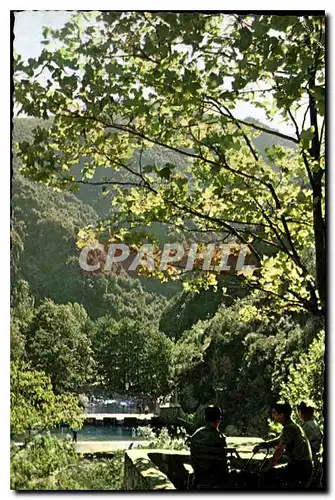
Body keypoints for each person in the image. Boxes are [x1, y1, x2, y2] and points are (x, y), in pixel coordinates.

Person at [253, 402, 313, 489]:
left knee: (268, 474)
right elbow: (278, 441)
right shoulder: (290, 426)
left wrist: (270, 465)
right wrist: (262, 445)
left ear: (281, 415)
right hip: (302, 465)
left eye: (274, 413)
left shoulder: (290, 428)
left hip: (301, 467)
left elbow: (280, 450)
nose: (273, 416)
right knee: (271, 471)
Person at [189, 405, 228, 488]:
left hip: (199, 477)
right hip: (217, 479)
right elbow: (223, 464)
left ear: (205, 419)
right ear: (218, 420)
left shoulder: (196, 435)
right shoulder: (219, 438)